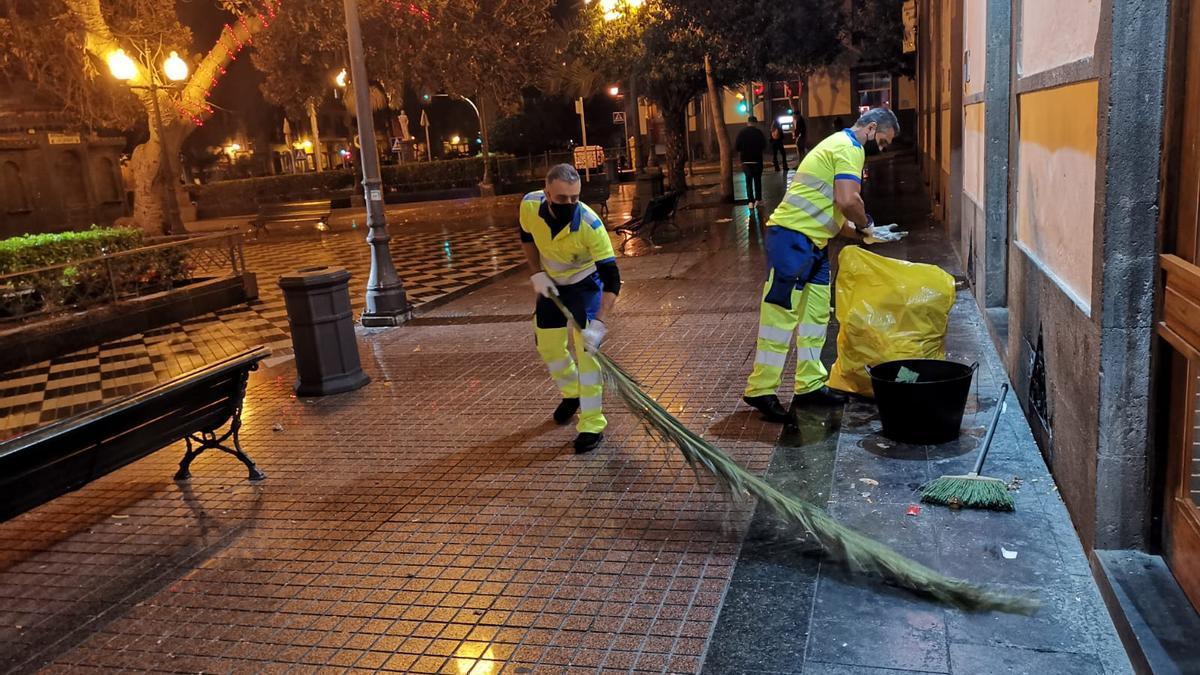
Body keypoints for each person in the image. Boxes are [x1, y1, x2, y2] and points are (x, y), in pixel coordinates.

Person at [742, 108, 907, 422]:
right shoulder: (849, 148)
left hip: (815, 244)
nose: (882, 149)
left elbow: (836, 217)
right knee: (780, 318)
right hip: (791, 239)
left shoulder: (840, 147)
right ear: (871, 128)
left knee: (816, 316)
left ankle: (809, 384)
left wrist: (863, 235)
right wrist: (868, 225)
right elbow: (848, 201)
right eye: (883, 142)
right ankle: (761, 390)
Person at [521, 164, 622, 453]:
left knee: (587, 357)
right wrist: (536, 272)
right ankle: (571, 393)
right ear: (546, 191)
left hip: (585, 286)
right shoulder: (529, 205)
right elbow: (526, 237)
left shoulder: (591, 225)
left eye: (574, 198)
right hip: (552, 283)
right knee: (548, 346)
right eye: (562, 198)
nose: (569, 204)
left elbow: (612, 278)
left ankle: (592, 423)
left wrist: (600, 323)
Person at [734, 115, 768, 208]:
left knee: (748, 181)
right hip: (757, 160)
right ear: (756, 123)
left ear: (747, 123)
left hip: (745, 161)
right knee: (757, 181)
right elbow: (764, 145)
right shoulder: (759, 133)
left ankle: (750, 202)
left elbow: (737, 147)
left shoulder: (741, 133)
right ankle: (758, 200)